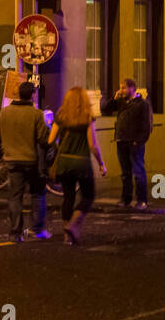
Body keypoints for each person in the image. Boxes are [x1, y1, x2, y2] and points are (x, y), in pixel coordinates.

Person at [0, 80, 52, 241]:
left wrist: (0, 153)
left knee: (15, 197)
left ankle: (15, 233)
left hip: (12, 161)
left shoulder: (5, 113)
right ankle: (37, 230)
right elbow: (43, 139)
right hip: (32, 161)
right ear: (33, 95)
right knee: (38, 194)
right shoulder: (36, 114)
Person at [48, 86, 108, 245]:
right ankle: (74, 224)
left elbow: (50, 140)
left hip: (64, 162)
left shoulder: (61, 116)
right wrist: (101, 163)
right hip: (81, 162)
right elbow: (92, 144)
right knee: (88, 196)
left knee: (68, 196)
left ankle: (67, 234)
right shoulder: (88, 116)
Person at [101, 78, 153, 209]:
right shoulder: (121, 102)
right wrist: (115, 97)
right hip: (121, 140)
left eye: (123, 88)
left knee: (138, 171)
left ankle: (142, 200)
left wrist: (139, 141)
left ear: (132, 88)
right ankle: (126, 199)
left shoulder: (142, 104)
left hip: (135, 143)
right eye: (121, 87)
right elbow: (105, 109)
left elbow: (147, 125)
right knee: (125, 173)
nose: (121, 90)